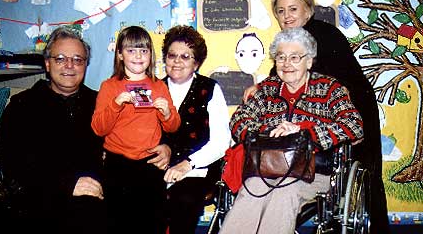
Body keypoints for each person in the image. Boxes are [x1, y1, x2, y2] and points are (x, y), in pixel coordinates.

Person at [243, 0, 389, 233]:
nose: (287, 16)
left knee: (366, 180)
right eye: (280, 11)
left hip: (352, 109)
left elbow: (313, 80)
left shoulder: (323, 35)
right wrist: (262, 86)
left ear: (308, 10)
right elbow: (285, 73)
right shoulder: (292, 41)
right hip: (324, 118)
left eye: (293, 9)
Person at [220, 27, 364, 234]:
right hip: (267, 166)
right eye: (281, 57)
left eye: (295, 57)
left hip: (313, 171)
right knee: (253, 188)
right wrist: (271, 132)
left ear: (309, 60)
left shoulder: (330, 88)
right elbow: (239, 121)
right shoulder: (267, 89)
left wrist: (304, 132)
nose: (287, 64)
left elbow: (354, 125)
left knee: (285, 190)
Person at [0, 27, 106, 233]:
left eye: (77, 59)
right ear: (47, 64)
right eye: (60, 59)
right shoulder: (22, 106)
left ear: (85, 65)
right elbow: (13, 168)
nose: (69, 66)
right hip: (40, 207)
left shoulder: (101, 104)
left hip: (93, 207)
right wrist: (66, 185)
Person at [91, 26, 180, 234]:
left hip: (150, 165)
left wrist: (167, 113)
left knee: (153, 221)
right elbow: (98, 128)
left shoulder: (159, 86)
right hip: (117, 164)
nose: (138, 55)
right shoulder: (109, 87)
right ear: (120, 55)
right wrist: (115, 105)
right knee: (118, 222)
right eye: (131, 50)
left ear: (151, 55)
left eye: (144, 50)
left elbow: (173, 126)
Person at [161, 25, 231, 234]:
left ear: (196, 63)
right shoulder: (154, 88)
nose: (177, 61)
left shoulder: (210, 88)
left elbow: (221, 142)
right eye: (172, 55)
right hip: (159, 168)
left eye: (185, 56)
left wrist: (187, 165)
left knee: (184, 201)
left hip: (198, 169)